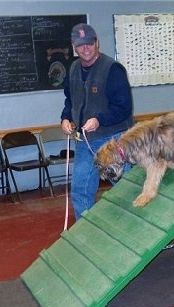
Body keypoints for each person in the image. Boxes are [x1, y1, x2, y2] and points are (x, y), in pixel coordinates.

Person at [61, 23, 134, 221]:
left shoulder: (112, 69)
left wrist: (99, 119)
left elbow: (123, 107)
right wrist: (65, 117)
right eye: (80, 45)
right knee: (80, 191)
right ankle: (85, 234)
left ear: (97, 42)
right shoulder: (74, 68)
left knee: (125, 188)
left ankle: (138, 228)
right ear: (74, 46)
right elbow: (70, 100)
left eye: (89, 43)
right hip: (85, 141)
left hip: (113, 139)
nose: (86, 48)